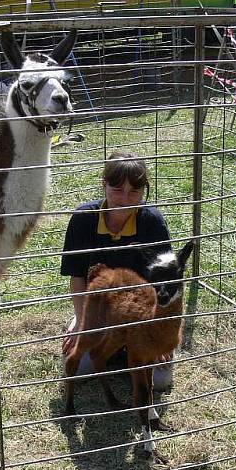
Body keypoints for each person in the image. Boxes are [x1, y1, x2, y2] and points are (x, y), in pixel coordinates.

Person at [60, 150, 174, 389]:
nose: (125, 199)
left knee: (160, 382)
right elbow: (77, 276)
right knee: (77, 371)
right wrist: (83, 322)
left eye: (135, 191)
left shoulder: (153, 222)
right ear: (104, 185)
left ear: (144, 190)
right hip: (99, 310)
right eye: (117, 190)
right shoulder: (83, 219)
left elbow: (165, 284)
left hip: (141, 314)